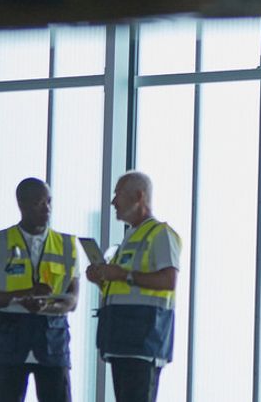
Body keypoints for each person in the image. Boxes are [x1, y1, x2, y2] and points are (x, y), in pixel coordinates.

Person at [0, 177, 81, 402]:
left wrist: (49, 304)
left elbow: (73, 299)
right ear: (22, 204)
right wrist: (21, 297)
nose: (47, 209)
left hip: (52, 340)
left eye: (49, 202)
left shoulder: (66, 244)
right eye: (39, 203)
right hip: (10, 341)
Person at [86, 171, 183, 402]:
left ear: (139, 196)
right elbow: (125, 287)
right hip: (120, 338)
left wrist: (123, 274)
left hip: (144, 339)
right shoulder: (130, 237)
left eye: (118, 194)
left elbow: (168, 281)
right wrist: (103, 280)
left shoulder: (160, 234)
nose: (113, 202)